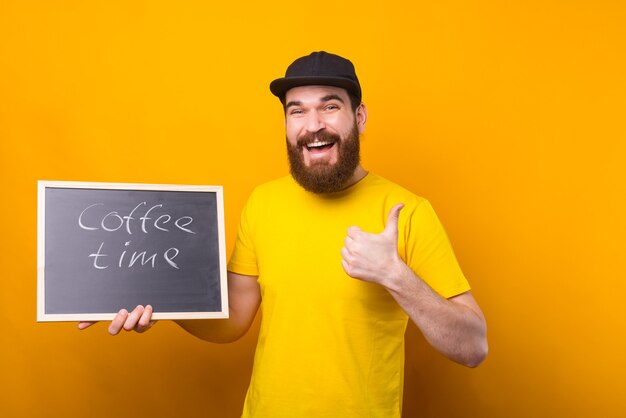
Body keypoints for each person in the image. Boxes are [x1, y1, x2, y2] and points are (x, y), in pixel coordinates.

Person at [80, 51, 488, 417]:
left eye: (330, 106)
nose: (313, 125)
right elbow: (234, 318)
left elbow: (473, 347)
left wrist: (394, 275)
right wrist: (162, 300)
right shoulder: (263, 202)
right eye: (297, 111)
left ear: (359, 117)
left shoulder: (407, 212)